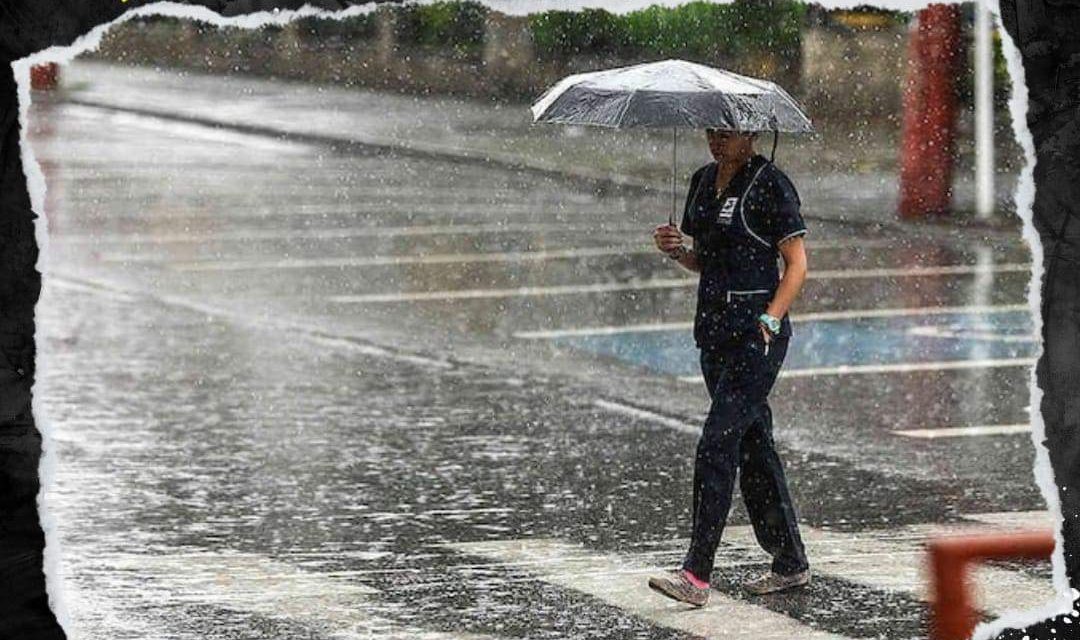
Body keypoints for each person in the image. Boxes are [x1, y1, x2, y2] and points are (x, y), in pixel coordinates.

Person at [646, 128, 811, 607]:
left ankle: (696, 573)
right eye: (712, 131)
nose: (718, 141)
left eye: (729, 133)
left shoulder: (770, 184)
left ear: (753, 133)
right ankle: (790, 561)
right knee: (754, 445)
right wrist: (677, 250)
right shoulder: (700, 181)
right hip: (713, 334)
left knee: (717, 443)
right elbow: (709, 260)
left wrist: (770, 317)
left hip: (756, 339)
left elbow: (797, 265)